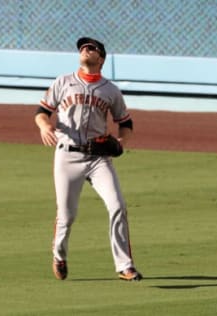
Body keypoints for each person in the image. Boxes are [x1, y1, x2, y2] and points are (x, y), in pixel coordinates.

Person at [34, 37, 142, 281]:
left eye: (91, 48)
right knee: (67, 215)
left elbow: (125, 123)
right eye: (82, 47)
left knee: (118, 206)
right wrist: (44, 127)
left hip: (98, 158)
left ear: (101, 58)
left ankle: (125, 266)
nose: (85, 50)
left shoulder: (110, 90)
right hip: (66, 155)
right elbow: (42, 112)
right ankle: (59, 255)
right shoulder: (63, 82)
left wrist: (121, 143)